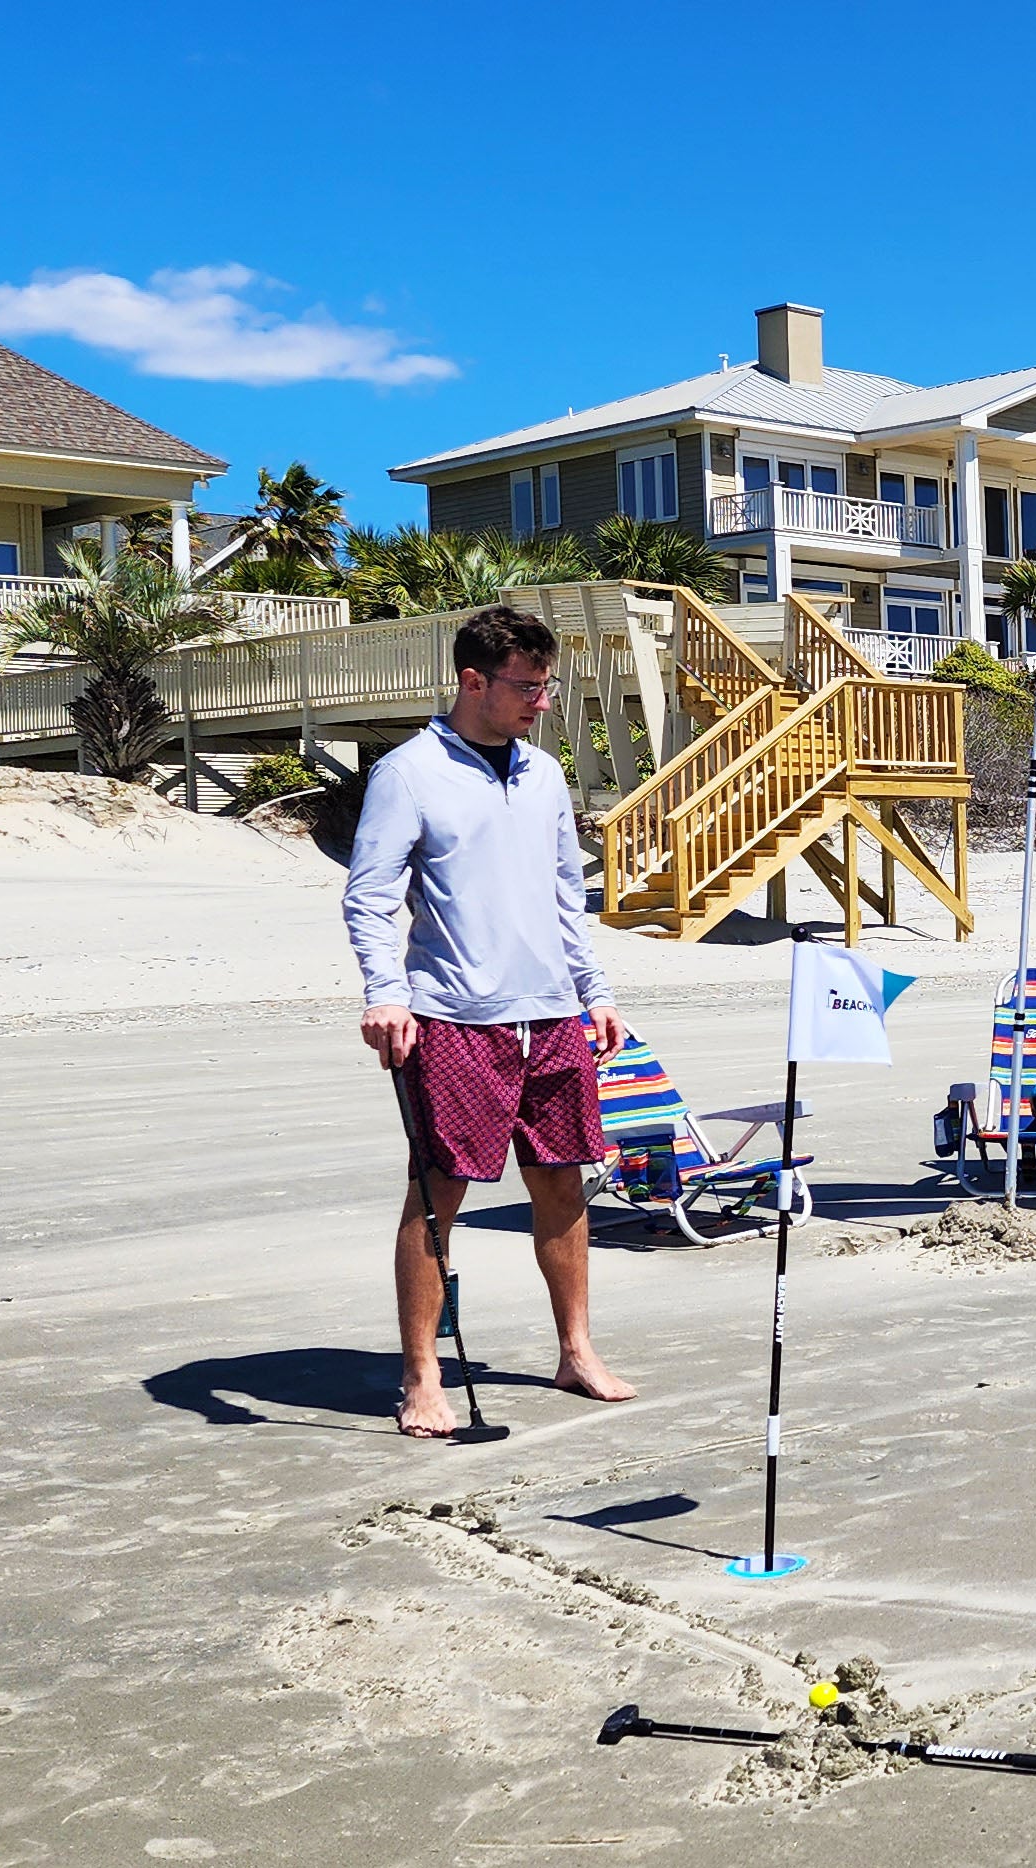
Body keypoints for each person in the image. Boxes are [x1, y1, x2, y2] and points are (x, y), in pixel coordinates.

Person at [341, 606, 637, 1439]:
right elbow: (369, 896)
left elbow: (564, 895)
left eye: (546, 687)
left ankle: (576, 1350)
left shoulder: (542, 774)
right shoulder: (408, 772)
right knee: (439, 1195)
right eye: (528, 688)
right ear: (475, 681)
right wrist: (385, 994)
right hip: (452, 1017)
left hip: (550, 1015)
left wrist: (596, 990)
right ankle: (421, 1376)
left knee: (562, 1182)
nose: (541, 703)